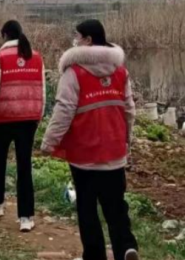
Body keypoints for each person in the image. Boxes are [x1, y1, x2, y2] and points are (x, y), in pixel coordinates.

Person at [41, 19, 138, 260]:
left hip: (84, 155)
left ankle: (94, 255)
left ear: (88, 40)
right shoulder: (120, 72)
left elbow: (63, 110)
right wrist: (127, 140)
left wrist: (49, 142)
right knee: (116, 206)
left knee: (87, 208)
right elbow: (129, 110)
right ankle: (126, 247)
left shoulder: (73, 73)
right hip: (114, 153)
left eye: (78, 36)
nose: (75, 40)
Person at [0, 19, 45, 233]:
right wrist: (39, 114)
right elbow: (41, 89)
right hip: (29, 119)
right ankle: (26, 218)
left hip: (4, 118)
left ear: (5, 35)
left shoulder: (1, 56)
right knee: (24, 166)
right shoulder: (36, 57)